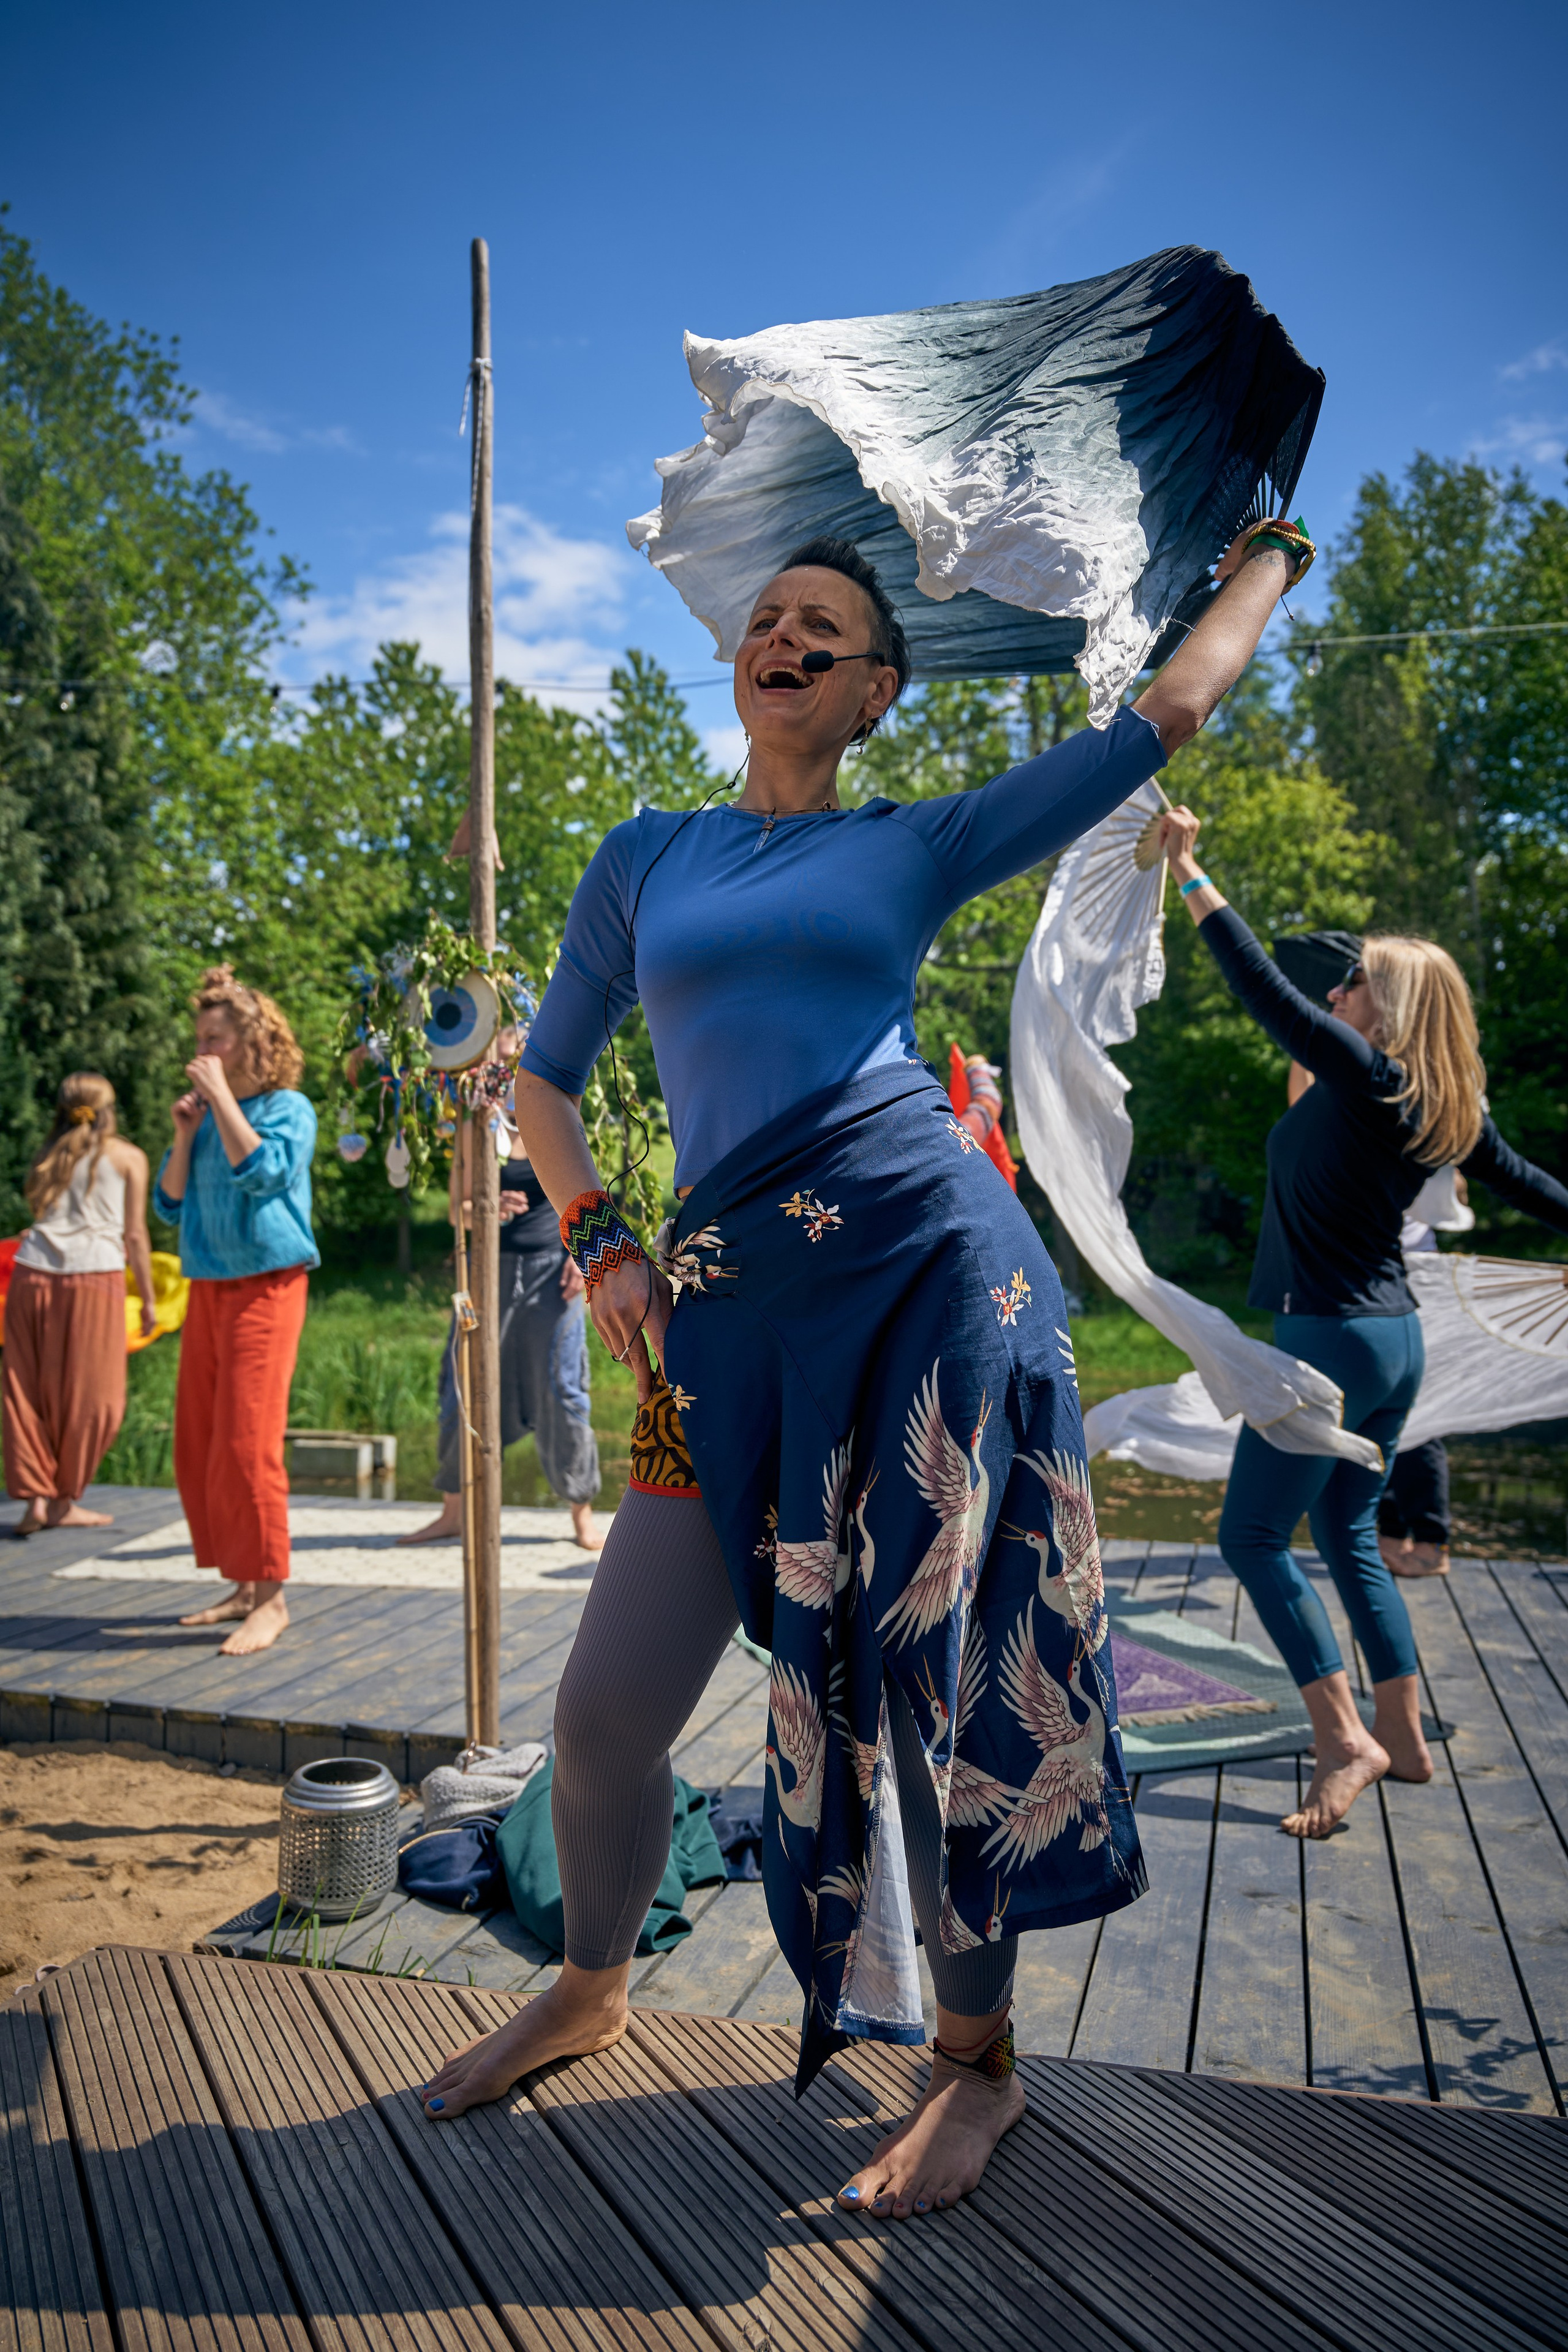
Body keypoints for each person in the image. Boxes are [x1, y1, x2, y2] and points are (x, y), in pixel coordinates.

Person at [418, 516, 1306, 2219]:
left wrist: (1268, 557)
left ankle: (975, 2066)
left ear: (878, 691)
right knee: (603, 1716)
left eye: (825, 631)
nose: (788, 642)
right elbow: (544, 1080)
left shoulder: (916, 844)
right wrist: (599, 1236)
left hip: (931, 1288)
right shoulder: (646, 857)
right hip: (728, 1313)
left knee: (929, 1697)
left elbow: (1165, 717)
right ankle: (594, 1984)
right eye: (769, 621)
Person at [1159, 814, 1568, 1838]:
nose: (1337, 990)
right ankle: (1406, 1732)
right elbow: (1533, 1185)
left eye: (1354, 983)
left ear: (1382, 1013)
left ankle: (1346, 1741)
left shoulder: (1369, 1075)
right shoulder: (1439, 1105)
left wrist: (1189, 868)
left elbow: (1267, 993)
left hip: (1330, 1342)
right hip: (1394, 1344)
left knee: (1252, 1537)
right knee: (1346, 1533)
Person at [154, 969, 318, 1656]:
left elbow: (263, 1175)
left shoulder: (288, 1108)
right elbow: (168, 1205)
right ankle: (243, 1586)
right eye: (199, 1039)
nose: (203, 1050)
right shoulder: (204, 1111)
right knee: (202, 1445)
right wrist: (186, 1131)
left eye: (214, 1038)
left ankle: (272, 1598)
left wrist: (221, 1098)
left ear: (251, 1041)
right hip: (208, 1285)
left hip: (267, 1286)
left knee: (250, 1443)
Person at [399, 1036, 602, 1551]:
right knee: (463, 1386)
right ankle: (453, 1512)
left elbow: (589, 1195)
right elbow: (456, 1214)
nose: (499, 1059)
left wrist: (585, 1260)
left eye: (509, 1045)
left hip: (552, 1272)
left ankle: (582, 1515)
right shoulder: (474, 1123)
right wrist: (484, 1207)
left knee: (563, 1389)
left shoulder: (559, 1107)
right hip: (486, 1271)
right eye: (490, 1051)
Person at [4, 1074, 157, 1534]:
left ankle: (35, 1497)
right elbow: (134, 1234)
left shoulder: (47, 1155)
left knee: (26, 1390)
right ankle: (65, 1499)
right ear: (109, 1109)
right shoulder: (129, 1157)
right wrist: (148, 1298)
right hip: (95, 1278)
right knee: (95, 1396)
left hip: (32, 1274)